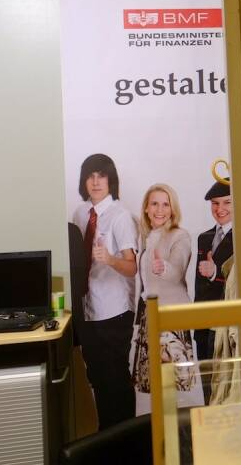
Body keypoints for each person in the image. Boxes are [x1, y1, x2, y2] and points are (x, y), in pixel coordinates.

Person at [72, 153, 138, 429]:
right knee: (97, 379)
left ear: (111, 181)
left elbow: (132, 267)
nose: (96, 182)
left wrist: (110, 259)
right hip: (88, 309)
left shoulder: (121, 216)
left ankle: (125, 440)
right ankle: (106, 438)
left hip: (114, 311)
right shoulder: (80, 213)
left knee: (116, 380)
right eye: (90, 176)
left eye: (102, 176)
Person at [131, 183, 196, 394]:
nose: (160, 210)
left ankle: (176, 419)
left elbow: (177, 269)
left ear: (173, 209)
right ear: (146, 208)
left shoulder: (180, 236)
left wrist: (163, 267)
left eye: (166, 204)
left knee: (173, 387)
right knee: (156, 387)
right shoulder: (146, 237)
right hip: (150, 315)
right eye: (155, 204)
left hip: (170, 318)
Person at [195, 180, 234, 403]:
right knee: (207, 389)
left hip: (227, 328)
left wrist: (215, 273)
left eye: (227, 202)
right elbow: (198, 286)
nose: (220, 209)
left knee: (227, 391)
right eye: (215, 203)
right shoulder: (204, 238)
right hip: (204, 325)